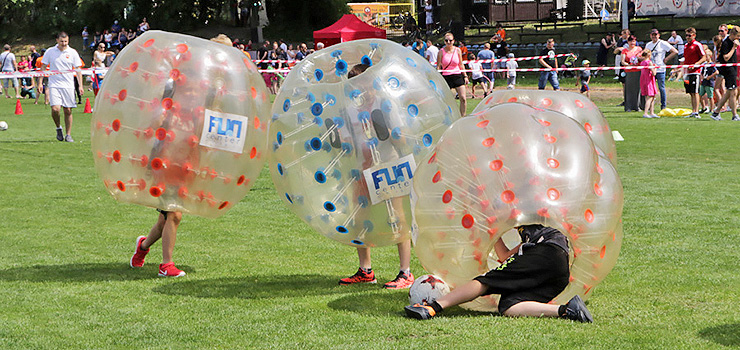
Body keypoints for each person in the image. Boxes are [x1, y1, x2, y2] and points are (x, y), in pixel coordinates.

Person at [404, 224, 593, 323]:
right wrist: (493, 234)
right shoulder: (528, 237)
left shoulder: (534, 213)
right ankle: (568, 309)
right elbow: (504, 256)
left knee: (486, 281)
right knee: (509, 306)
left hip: (545, 251)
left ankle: (432, 308)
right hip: (559, 268)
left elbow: (498, 211)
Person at [338, 63, 415, 290]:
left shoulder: (385, 105)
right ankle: (365, 270)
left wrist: (390, 133)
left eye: (362, 85)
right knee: (359, 218)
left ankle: (405, 272)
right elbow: (348, 140)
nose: (360, 91)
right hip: (362, 168)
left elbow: (402, 140)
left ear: (371, 84)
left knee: (397, 217)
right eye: (354, 87)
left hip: (388, 166)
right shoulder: (351, 109)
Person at [41, 32, 83, 143]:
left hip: (68, 85)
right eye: (61, 41)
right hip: (54, 84)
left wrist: (80, 86)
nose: (64, 44)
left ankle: (68, 134)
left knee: (68, 110)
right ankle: (58, 128)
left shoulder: (72, 52)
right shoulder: (50, 51)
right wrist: (40, 82)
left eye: (66, 41)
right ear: (57, 40)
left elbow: (78, 70)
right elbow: (43, 67)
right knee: (55, 109)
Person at [644, 29, 678, 111]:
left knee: (661, 87)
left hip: (660, 69)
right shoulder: (648, 44)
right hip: (651, 69)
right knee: (650, 88)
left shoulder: (662, 43)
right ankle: (649, 106)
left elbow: (675, 51)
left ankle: (663, 106)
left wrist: (666, 59)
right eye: (652, 35)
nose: (654, 36)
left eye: (655, 35)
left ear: (658, 35)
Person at [710, 26, 739, 121]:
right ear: (733, 34)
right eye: (737, 36)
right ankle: (734, 115)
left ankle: (716, 112)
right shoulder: (726, 43)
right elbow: (726, 57)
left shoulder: (732, 42)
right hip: (728, 70)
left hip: (733, 69)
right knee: (733, 93)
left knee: (729, 92)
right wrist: (734, 48)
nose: (738, 38)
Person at [438, 32, 468, 117]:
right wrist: (438, 77)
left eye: (450, 40)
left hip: (457, 75)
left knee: (463, 98)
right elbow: (439, 66)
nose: (448, 42)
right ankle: (450, 116)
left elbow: (461, 64)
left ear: (453, 41)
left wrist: (465, 75)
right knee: (448, 99)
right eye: (446, 40)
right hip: (446, 76)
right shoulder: (441, 51)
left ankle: (463, 116)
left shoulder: (457, 50)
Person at [682, 27, 706, 119]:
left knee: (695, 92)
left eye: (689, 35)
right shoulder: (685, 46)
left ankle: (696, 111)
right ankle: (693, 111)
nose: (688, 37)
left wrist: (696, 64)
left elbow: (704, 57)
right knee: (691, 92)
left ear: (694, 35)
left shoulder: (697, 45)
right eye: (686, 35)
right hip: (687, 72)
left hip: (695, 72)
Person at [620, 35, 642, 112]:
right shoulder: (624, 51)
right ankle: (628, 107)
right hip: (629, 71)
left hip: (638, 71)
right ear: (628, 42)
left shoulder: (639, 49)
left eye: (633, 41)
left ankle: (637, 106)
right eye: (630, 41)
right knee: (628, 90)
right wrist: (629, 65)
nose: (632, 43)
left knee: (638, 89)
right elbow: (622, 61)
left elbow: (642, 58)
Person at [639, 49, 658, 118]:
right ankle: (646, 113)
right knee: (649, 97)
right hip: (648, 81)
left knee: (652, 97)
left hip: (644, 80)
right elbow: (654, 73)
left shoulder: (642, 62)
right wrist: (655, 68)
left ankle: (652, 112)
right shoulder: (649, 62)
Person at [699, 50, 718, 115]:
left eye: (706, 56)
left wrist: (710, 76)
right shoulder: (704, 64)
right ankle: (703, 107)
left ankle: (711, 109)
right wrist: (701, 77)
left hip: (709, 82)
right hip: (703, 82)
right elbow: (701, 72)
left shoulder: (712, 64)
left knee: (710, 96)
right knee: (700, 95)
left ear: (710, 56)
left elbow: (716, 72)